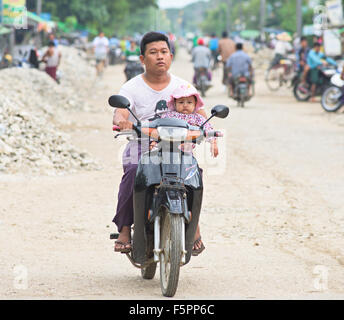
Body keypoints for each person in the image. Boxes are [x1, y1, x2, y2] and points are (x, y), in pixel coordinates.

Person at [112, 31, 208, 255]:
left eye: (164, 52)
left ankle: (194, 227)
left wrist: (207, 129)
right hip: (142, 143)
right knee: (133, 172)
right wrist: (122, 122)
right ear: (143, 59)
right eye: (153, 52)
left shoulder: (183, 87)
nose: (160, 57)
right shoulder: (131, 87)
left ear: (171, 56)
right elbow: (120, 113)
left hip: (176, 146)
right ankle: (125, 229)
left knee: (194, 174)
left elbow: (201, 114)